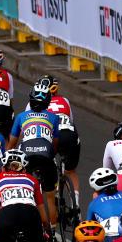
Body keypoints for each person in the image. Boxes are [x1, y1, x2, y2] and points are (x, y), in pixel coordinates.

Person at [8, 86, 61, 223]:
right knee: (50, 197)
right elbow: (55, 145)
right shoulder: (54, 118)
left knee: (25, 192)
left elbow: (12, 144)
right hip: (46, 157)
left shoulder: (21, 117)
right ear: (48, 102)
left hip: (27, 157)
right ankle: (53, 233)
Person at [44, 77, 81, 207]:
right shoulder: (65, 100)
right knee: (71, 172)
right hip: (70, 135)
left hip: (53, 136)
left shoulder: (35, 102)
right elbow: (71, 119)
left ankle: (54, 195)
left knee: (49, 166)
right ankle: (75, 204)